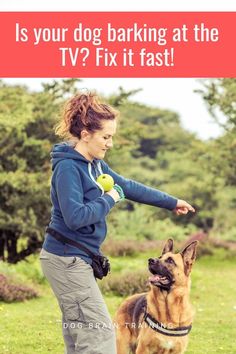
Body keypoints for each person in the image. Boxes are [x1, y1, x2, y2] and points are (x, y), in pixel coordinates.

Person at [40, 91, 195, 354]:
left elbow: (128, 186)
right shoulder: (68, 169)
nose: (110, 143)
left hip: (78, 259)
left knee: (80, 334)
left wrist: (170, 201)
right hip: (66, 260)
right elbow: (75, 217)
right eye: (106, 137)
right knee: (100, 334)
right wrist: (110, 198)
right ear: (86, 134)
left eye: (111, 136)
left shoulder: (95, 165)